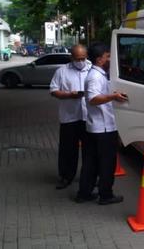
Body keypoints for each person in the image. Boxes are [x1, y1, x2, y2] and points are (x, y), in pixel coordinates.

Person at [76, 43, 128, 204]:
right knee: (107, 163)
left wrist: (111, 95)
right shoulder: (95, 77)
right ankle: (106, 195)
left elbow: (98, 95)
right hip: (103, 129)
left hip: (96, 127)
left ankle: (84, 193)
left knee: (91, 163)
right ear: (99, 59)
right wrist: (113, 97)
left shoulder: (98, 74)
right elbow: (92, 98)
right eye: (107, 56)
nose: (109, 59)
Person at [49, 44, 91, 190]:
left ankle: (89, 177)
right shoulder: (62, 71)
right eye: (78, 59)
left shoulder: (92, 70)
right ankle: (66, 176)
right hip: (69, 117)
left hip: (88, 117)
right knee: (68, 149)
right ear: (71, 57)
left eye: (83, 58)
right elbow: (54, 91)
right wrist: (69, 95)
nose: (81, 62)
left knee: (90, 150)